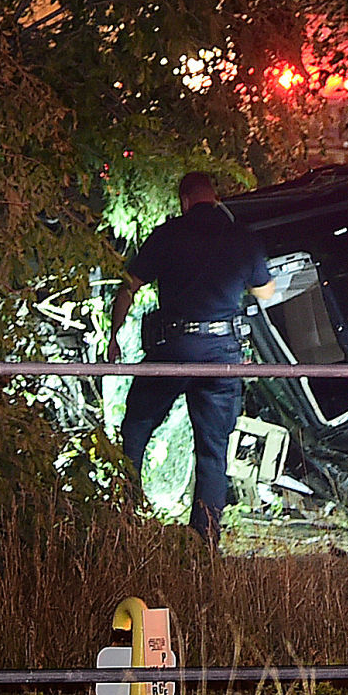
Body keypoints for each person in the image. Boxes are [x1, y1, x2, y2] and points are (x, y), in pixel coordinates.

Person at [105, 171, 276, 544]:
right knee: (213, 451)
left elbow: (128, 285)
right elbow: (266, 292)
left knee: (135, 431)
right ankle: (205, 540)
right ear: (214, 197)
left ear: (184, 200)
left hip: (172, 350)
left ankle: (124, 519)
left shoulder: (167, 235)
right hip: (221, 356)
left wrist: (114, 336)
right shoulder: (243, 238)